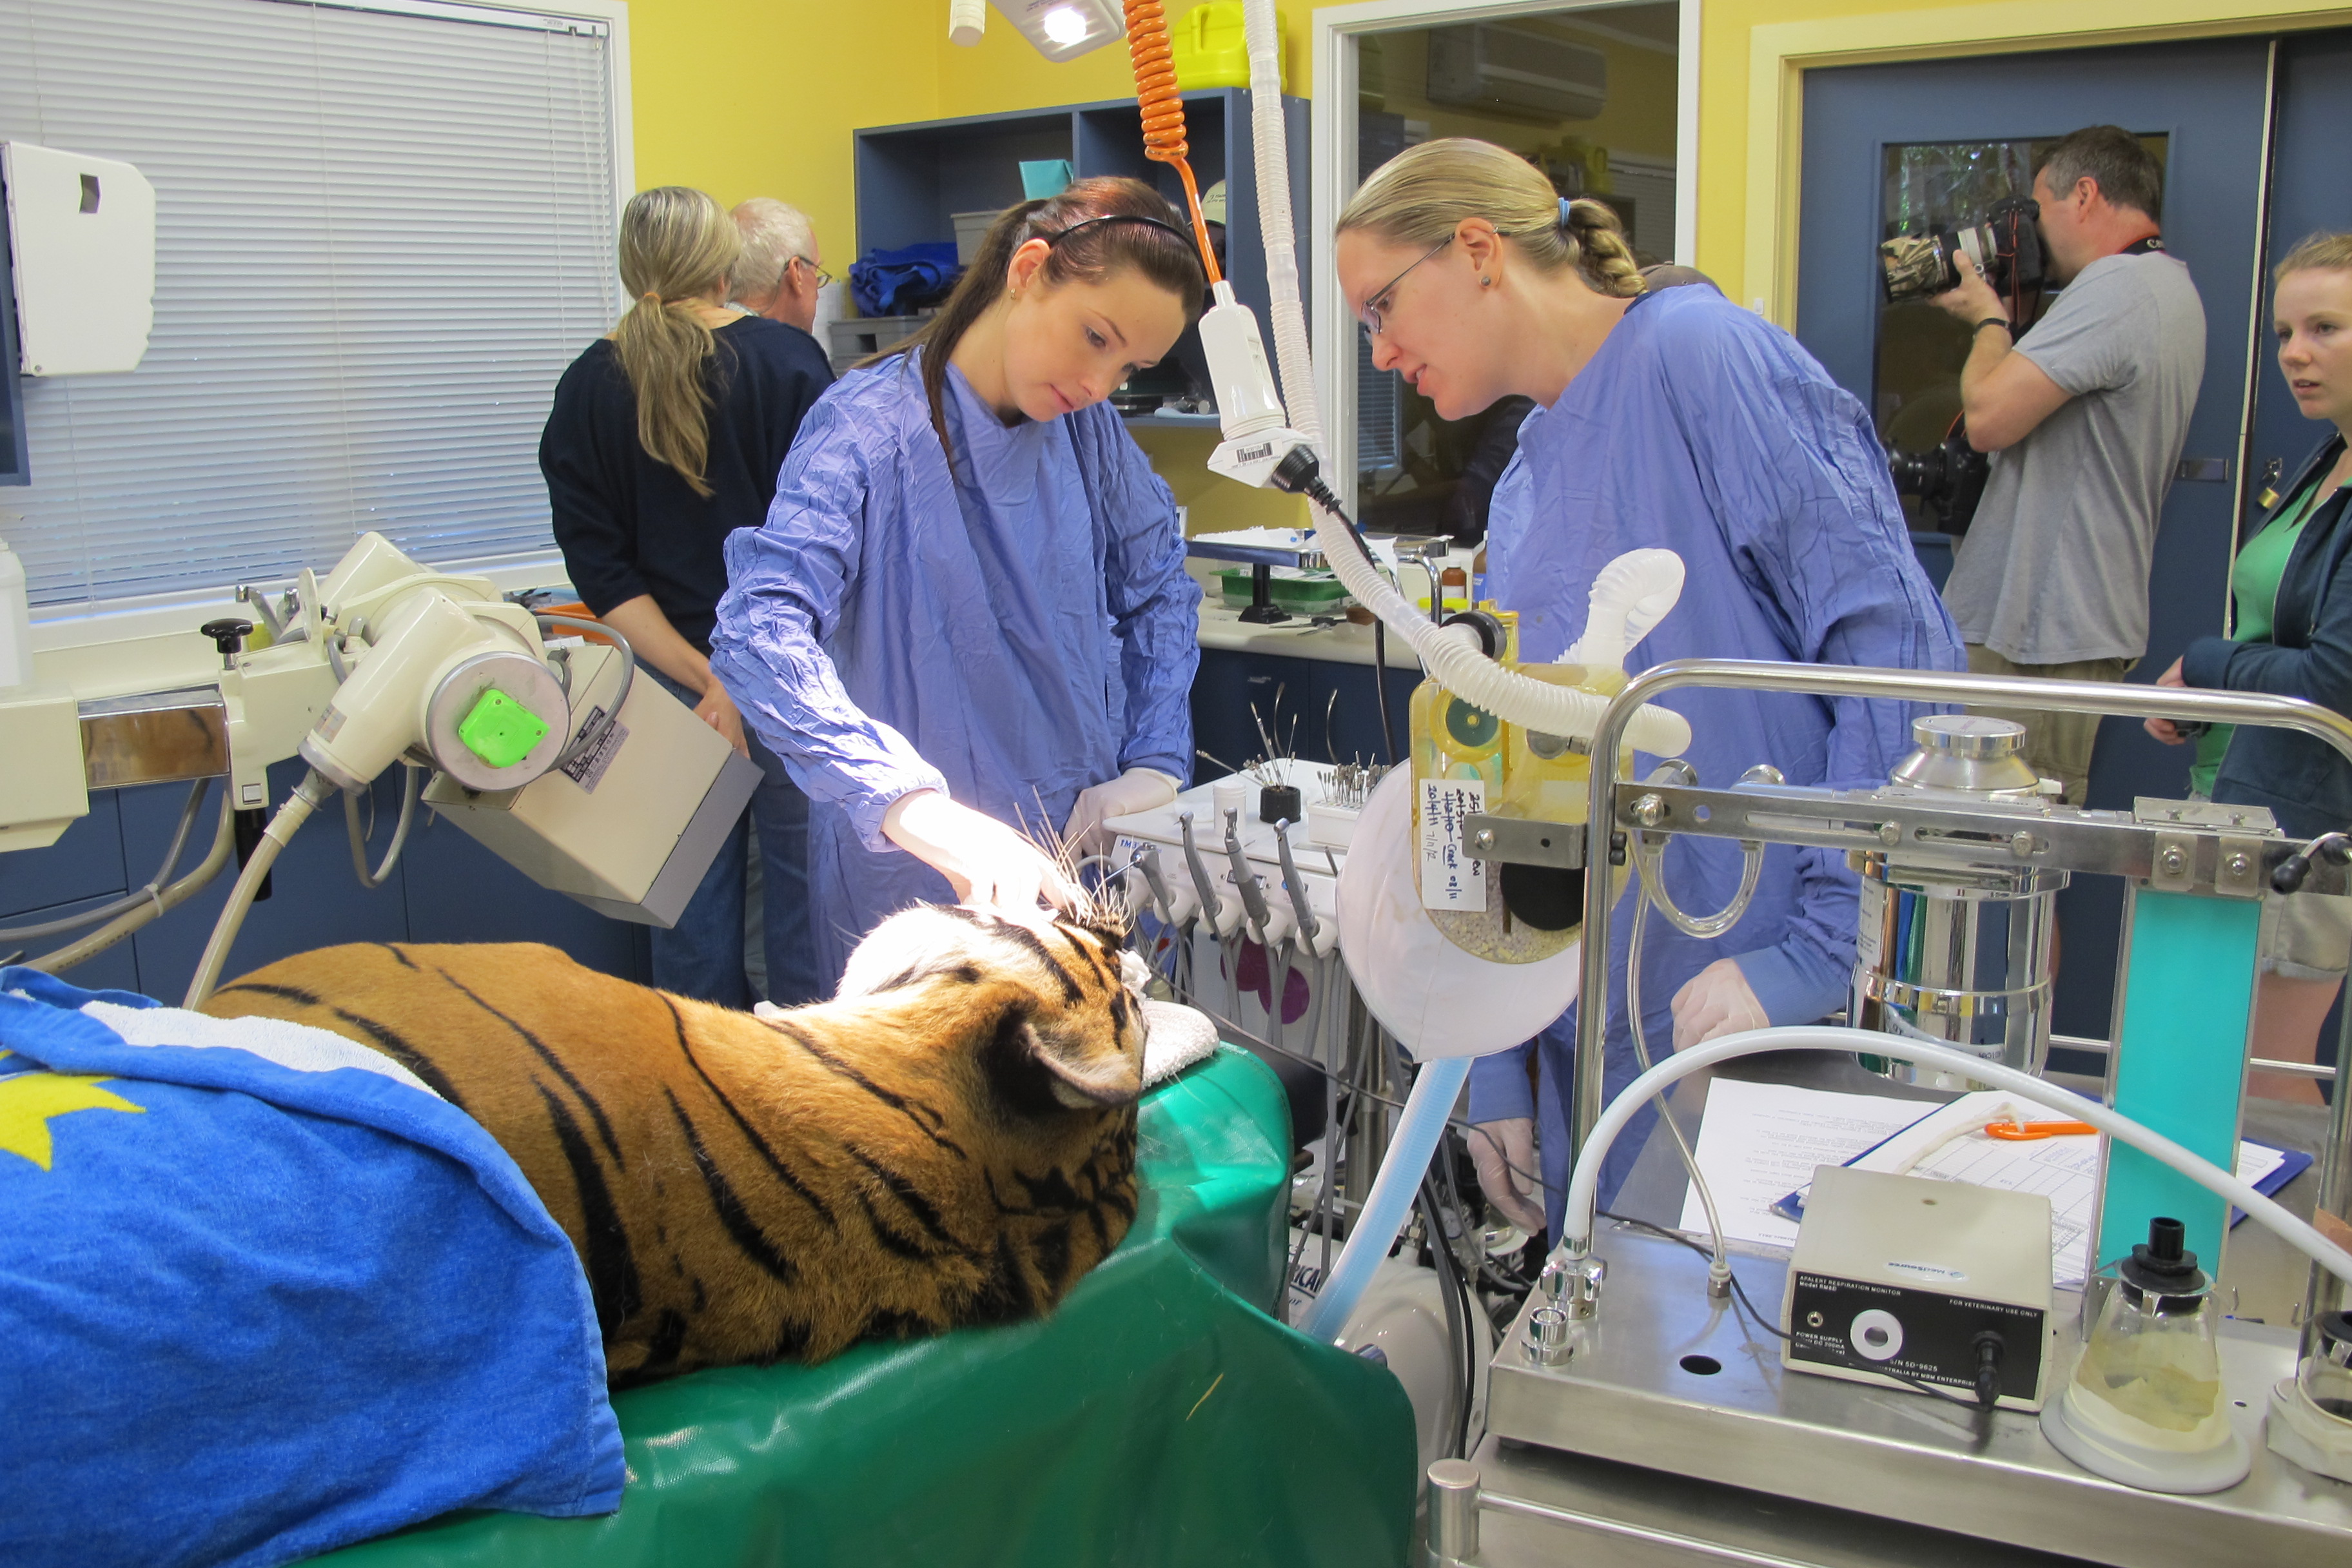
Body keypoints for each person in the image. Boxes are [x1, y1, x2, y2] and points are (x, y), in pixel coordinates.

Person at [1335, 138, 1962, 1234]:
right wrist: (1492, 1058)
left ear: (1477, 249)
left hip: (1742, 998)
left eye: (1382, 309)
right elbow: (1516, 780)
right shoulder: (1528, 478)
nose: (1382, 353)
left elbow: (1891, 645)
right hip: (1591, 1008)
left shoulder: (1696, 359)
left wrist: (1823, 941)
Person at [708, 179, 1206, 985]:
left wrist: (1153, 759)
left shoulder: (1088, 433)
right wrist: (912, 806)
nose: (1099, 382)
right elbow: (758, 629)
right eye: (1094, 336)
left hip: (1077, 854)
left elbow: (1159, 590)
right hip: (914, 882)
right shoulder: (868, 428)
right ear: (1028, 269)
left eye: (1130, 366)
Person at [540, 186, 832, 1008]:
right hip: (788, 674)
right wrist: (740, 679)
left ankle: (699, 1114)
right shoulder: (788, 364)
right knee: (801, 915)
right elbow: (822, 543)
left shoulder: (588, 387)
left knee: (691, 931)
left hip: (667, 688)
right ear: (721, 265)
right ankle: (805, 1097)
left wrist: (705, 678)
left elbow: (604, 574)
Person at [1930, 125, 2207, 803]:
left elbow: (1991, 419)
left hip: (2040, 626)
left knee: (2004, 847)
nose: (2030, 232)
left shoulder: (2118, 287)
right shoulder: (2167, 289)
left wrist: (1988, 321)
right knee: (2010, 853)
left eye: (2038, 210)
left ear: (2083, 195)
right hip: (2061, 617)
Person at [2146, 233, 2352, 1102]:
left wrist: (2204, 663)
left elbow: (2336, 681)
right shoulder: (2326, 459)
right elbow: (2280, 628)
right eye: (2283, 333)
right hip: (2239, 802)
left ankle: (2309, 1243)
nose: (2295, 355)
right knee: (2205, 1074)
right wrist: (2208, 700)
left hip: (2303, 824)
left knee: (2265, 1087)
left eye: (2326, 329)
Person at [729, 197, 827, 335]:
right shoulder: (791, 350)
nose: (817, 295)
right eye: (815, 273)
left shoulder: (696, 339)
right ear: (796, 273)